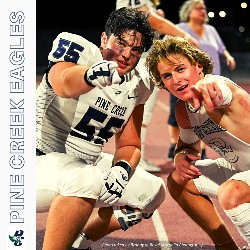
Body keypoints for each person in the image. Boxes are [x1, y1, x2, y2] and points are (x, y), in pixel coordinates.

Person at [36, 7, 166, 250]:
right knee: (86, 179)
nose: (126, 54)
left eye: (135, 50)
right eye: (121, 43)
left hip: (85, 164)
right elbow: (63, 83)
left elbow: (129, 143)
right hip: (33, 162)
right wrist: (92, 75)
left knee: (153, 192)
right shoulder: (79, 50)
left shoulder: (138, 84)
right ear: (104, 38)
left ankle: (81, 242)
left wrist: (122, 169)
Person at [145, 37, 250, 249]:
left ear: (198, 65)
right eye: (167, 75)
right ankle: (226, 246)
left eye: (180, 69)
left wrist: (206, 87)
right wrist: (180, 155)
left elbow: (220, 92)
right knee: (178, 181)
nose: (175, 79)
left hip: (244, 174)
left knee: (232, 192)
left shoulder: (217, 86)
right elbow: (188, 145)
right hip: (242, 168)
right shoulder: (184, 111)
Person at [116, 0, 199, 172]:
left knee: (136, 110)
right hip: (139, 57)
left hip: (135, 56)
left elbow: (149, 18)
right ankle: (133, 159)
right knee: (140, 111)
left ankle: (132, 158)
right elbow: (151, 19)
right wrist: (186, 37)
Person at [165, 0, 236, 161]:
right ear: (189, 12)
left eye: (204, 8)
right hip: (183, 81)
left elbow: (221, 48)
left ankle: (202, 148)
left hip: (209, 78)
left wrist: (228, 57)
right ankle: (173, 144)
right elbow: (165, 48)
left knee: (208, 115)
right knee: (176, 114)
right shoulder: (180, 29)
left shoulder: (211, 30)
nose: (203, 11)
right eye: (199, 8)